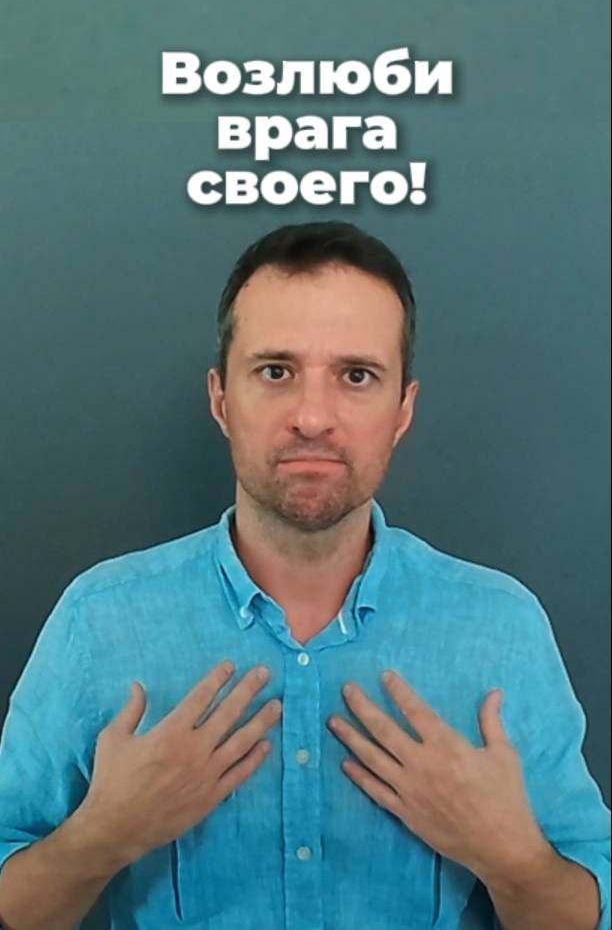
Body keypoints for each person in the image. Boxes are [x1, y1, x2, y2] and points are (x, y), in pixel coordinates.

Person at [0, 221, 609, 930]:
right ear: (221, 400)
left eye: (357, 376)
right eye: (275, 371)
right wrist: (101, 838)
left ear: (403, 410)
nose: (313, 418)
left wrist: (513, 860)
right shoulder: (98, 621)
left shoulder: (501, 629)